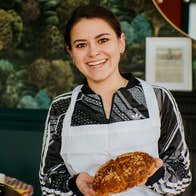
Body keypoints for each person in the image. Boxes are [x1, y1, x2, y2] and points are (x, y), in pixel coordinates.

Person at [39, 4, 192, 196]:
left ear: (121, 42)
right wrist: (74, 184)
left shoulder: (158, 98)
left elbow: (182, 175)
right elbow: (48, 180)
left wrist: (155, 174)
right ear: (70, 52)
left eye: (102, 40)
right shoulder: (61, 107)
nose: (93, 52)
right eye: (81, 45)